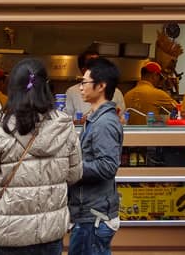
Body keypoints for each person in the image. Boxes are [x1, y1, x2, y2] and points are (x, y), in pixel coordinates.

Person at [0, 57, 82, 255]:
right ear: (46, 87)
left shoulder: (0, 130)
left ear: (12, 88)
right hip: (49, 234)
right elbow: (74, 176)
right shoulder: (65, 128)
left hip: (5, 235)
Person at [68, 57, 124, 255]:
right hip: (90, 213)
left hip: (94, 215)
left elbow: (108, 166)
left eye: (85, 82)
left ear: (101, 86)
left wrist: (72, 168)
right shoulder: (96, 119)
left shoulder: (104, 123)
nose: (81, 87)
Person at [65, 48, 126, 122]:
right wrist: (80, 122)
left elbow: (123, 120)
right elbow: (66, 122)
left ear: (101, 86)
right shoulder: (72, 92)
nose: (81, 88)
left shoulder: (116, 93)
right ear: (83, 70)